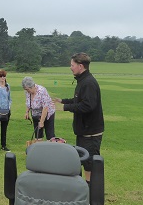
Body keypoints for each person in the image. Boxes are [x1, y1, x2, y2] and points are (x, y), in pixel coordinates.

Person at [54, 52, 104, 186]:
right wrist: (62, 101)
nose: (70, 67)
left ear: (80, 66)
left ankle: (91, 192)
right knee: (83, 162)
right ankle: (84, 190)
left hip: (91, 133)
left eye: (72, 65)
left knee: (89, 164)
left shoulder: (88, 83)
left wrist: (65, 107)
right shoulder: (83, 81)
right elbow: (79, 100)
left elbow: (88, 105)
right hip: (84, 131)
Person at [22, 76, 56, 141]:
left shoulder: (42, 91)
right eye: (25, 89)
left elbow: (45, 108)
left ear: (32, 86)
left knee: (50, 135)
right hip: (36, 115)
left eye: (27, 89)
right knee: (38, 135)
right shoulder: (27, 92)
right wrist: (27, 112)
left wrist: (42, 121)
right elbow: (28, 102)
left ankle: (52, 148)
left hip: (48, 113)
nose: (26, 91)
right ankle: (39, 148)